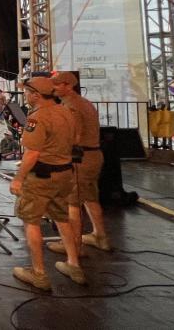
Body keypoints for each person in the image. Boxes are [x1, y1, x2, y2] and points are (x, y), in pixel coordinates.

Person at [10, 77, 84, 291]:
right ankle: (74, 264)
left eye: (27, 92)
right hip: (64, 173)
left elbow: (32, 153)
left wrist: (18, 178)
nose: (25, 96)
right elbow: (76, 139)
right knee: (62, 218)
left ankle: (39, 273)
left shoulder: (38, 117)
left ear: (35, 95)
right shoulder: (66, 111)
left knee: (30, 220)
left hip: (42, 177)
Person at [46, 72, 110, 255]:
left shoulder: (71, 106)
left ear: (68, 86)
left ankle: (74, 247)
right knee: (90, 198)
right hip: (93, 156)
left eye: (56, 84)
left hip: (80, 159)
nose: (53, 88)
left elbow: (75, 136)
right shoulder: (84, 102)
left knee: (72, 203)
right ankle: (100, 236)